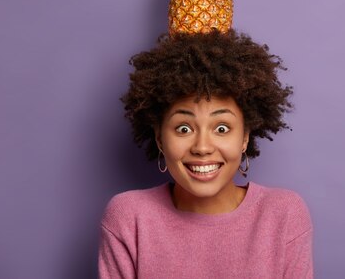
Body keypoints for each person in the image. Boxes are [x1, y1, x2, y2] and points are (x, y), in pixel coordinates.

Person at [99, 30, 313, 278]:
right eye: (184, 128)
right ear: (159, 137)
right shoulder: (129, 217)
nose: (202, 147)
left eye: (222, 128)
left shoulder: (283, 215)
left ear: (244, 137)